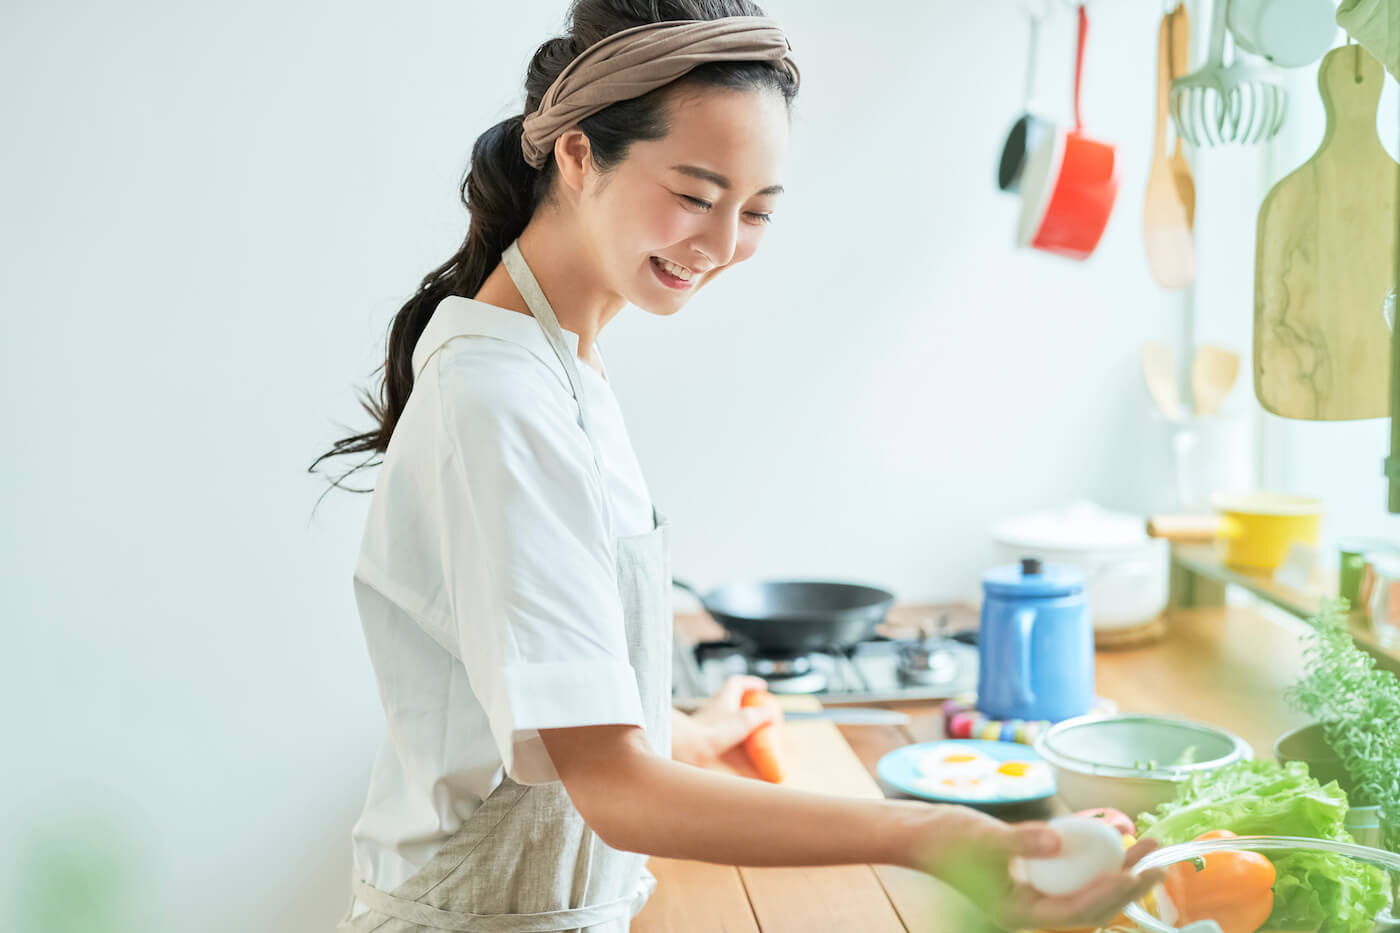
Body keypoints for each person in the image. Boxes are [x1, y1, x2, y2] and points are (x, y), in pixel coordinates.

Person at [309, 2, 1164, 929]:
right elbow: (611, 786)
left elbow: (543, 700)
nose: (720, 247)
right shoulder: (502, 397)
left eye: (755, 210)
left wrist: (682, 729)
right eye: (694, 194)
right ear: (577, 153)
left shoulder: (559, 363)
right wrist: (926, 833)